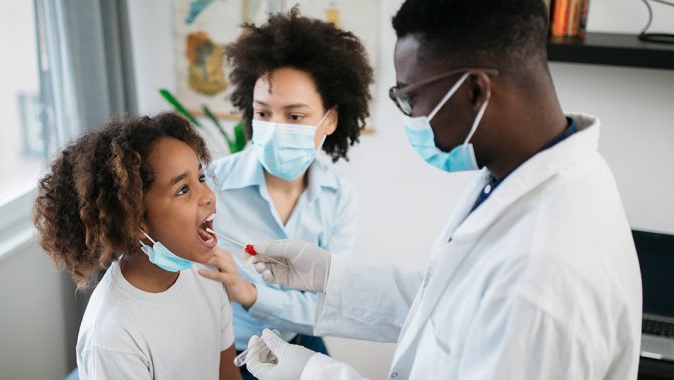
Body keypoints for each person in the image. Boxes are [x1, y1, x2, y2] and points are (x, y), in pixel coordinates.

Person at [240, 0, 643, 379]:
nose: (410, 117)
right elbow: (443, 304)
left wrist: (313, 373)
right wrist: (327, 275)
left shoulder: (540, 280)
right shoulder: (522, 175)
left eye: (411, 97)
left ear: (475, 91)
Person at [196, 8, 373, 379]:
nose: (276, 128)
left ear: (331, 119)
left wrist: (250, 294)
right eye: (263, 113)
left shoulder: (337, 197)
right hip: (226, 349)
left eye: (295, 117)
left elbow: (327, 306)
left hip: (300, 342)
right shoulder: (212, 186)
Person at [33, 112, 241, 379]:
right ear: (135, 222)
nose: (208, 197)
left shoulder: (207, 275)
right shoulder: (113, 336)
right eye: (183, 190)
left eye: (200, 179)